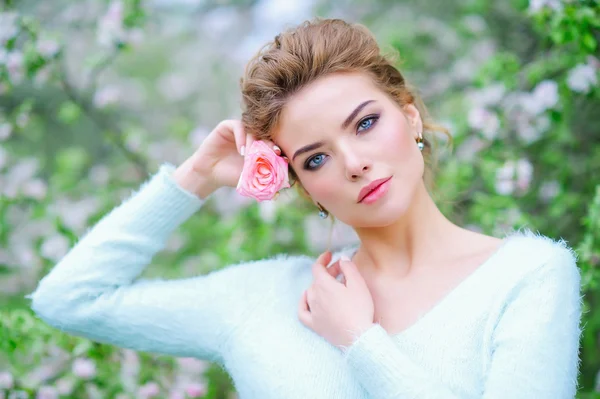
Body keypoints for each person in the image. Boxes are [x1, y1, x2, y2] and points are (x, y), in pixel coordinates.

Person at [27, 18, 582, 399]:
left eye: (366, 124)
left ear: (410, 118)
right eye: (315, 159)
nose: (354, 163)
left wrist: (362, 343)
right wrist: (193, 179)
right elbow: (68, 300)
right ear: (303, 185)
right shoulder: (264, 299)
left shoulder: (527, 275)